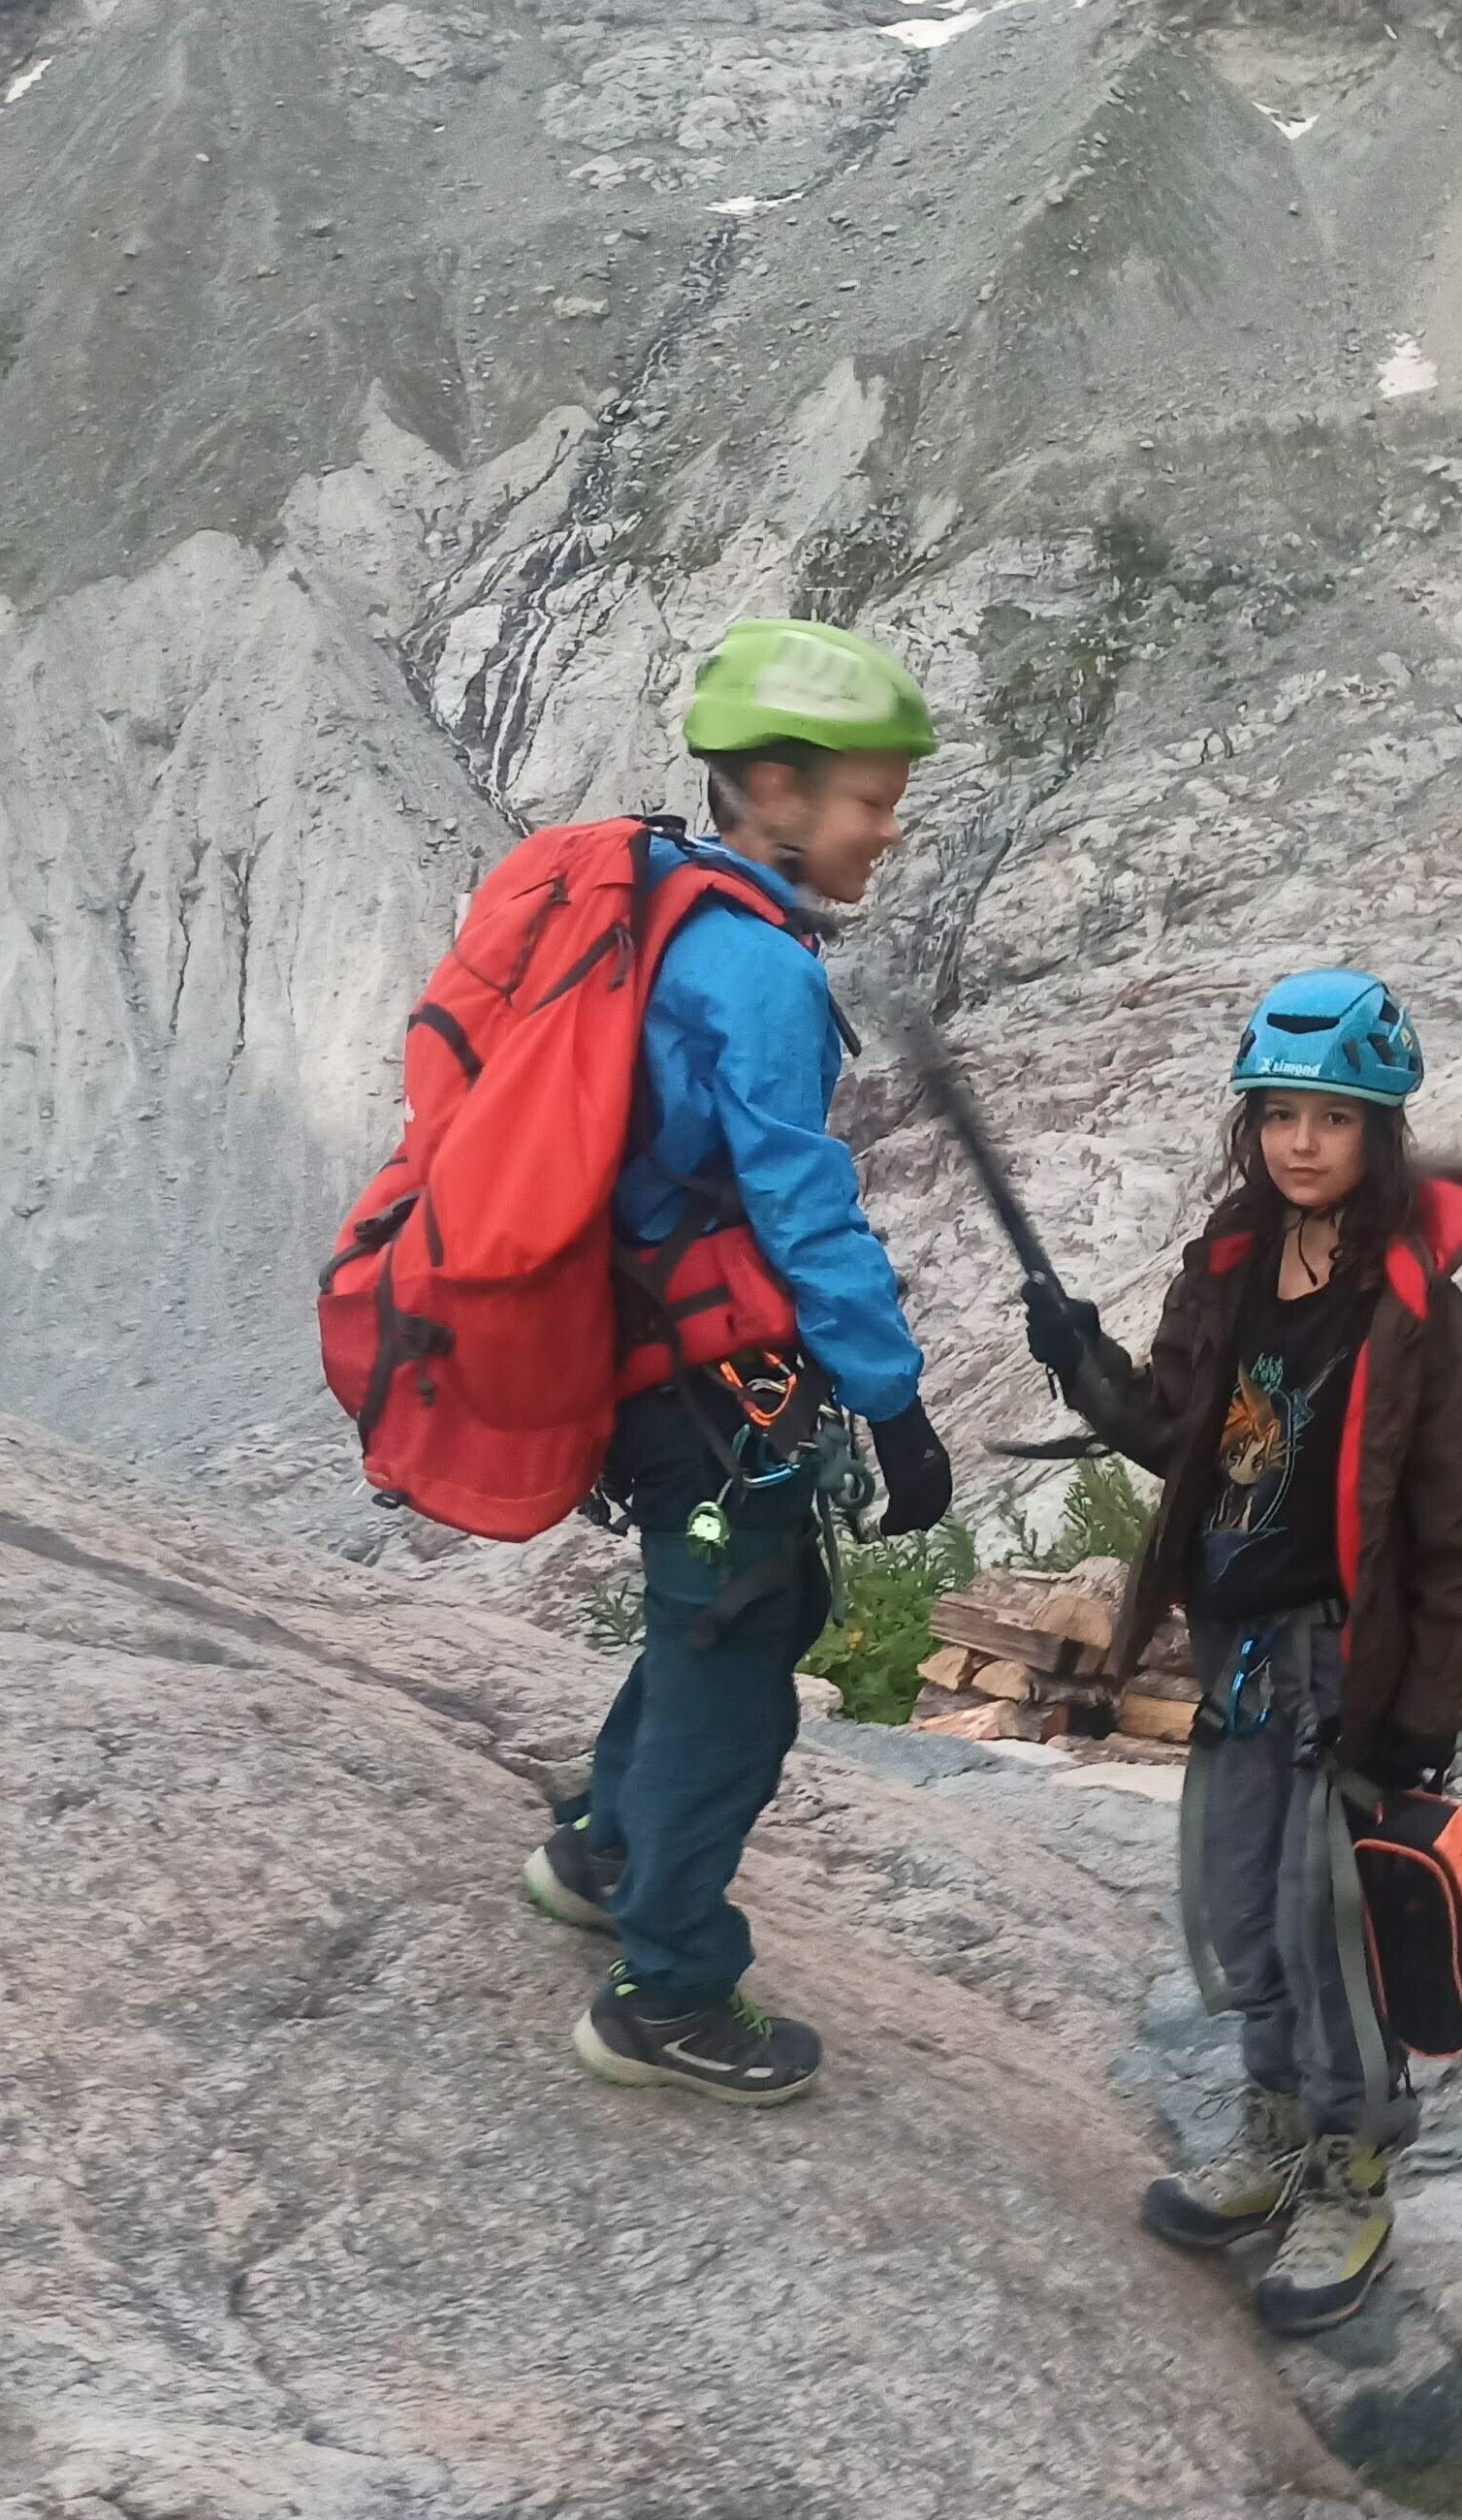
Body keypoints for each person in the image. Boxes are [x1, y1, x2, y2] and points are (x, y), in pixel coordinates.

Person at [1026, 969, 1462, 2334]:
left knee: (1333, 1928)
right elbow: (1184, 1439)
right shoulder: (1231, 1268)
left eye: (1334, 1118)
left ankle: (1354, 2170)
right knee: (1245, 1904)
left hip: (1340, 1664)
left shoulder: (1429, 1322)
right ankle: (1275, 2129)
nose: (1302, 1142)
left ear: (1382, 1130)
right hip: (1237, 1650)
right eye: (1280, 1113)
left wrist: (1424, 1714)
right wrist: (1085, 1365)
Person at [518, 618, 957, 2108]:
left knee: (724, 1615)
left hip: (649, 1356)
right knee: (740, 1651)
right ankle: (670, 1989)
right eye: (870, 801)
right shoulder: (756, 970)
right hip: (709, 1385)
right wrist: (895, 1403)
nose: (887, 831)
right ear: (775, 787)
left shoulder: (663, 906)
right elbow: (800, 1200)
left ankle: (607, 1849)